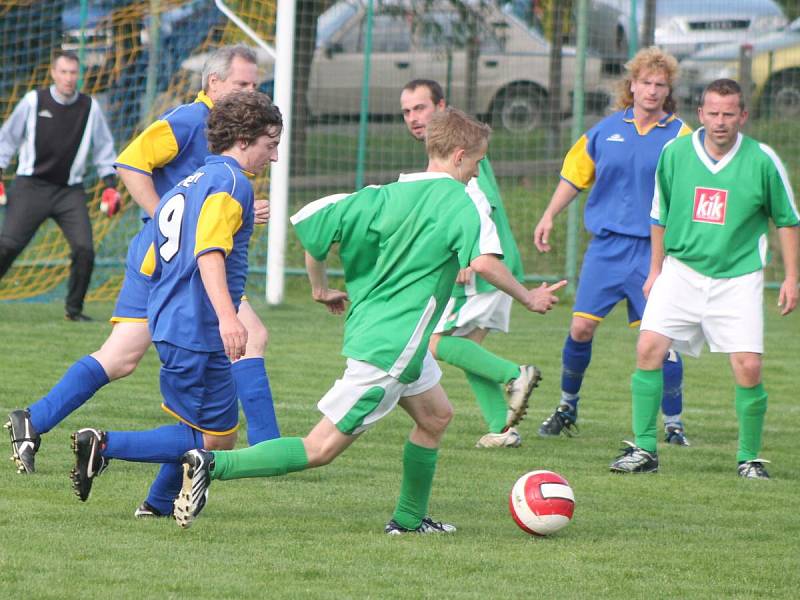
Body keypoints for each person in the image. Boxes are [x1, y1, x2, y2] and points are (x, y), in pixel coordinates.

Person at [170, 108, 567, 531]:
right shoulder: (463, 202)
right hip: (393, 348)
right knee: (318, 449)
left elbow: (314, 229)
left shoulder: (384, 193)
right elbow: (485, 263)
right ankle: (213, 463)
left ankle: (409, 520)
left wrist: (320, 288)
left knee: (436, 417)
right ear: (458, 155)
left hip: (384, 333)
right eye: (476, 161)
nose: (477, 171)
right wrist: (529, 297)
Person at [6, 44, 280, 518]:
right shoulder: (194, 120)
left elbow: (204, 198)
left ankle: (35, 419)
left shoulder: (228, 156)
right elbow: (131, 162)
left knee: (121, 357)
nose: (250, 92)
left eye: (255, 85)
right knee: (243, 340)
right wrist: (169, 219)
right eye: (242, 84)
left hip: (171, 259)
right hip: (174, 264)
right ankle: (270, 450)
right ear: (214, 84)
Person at [68, 91, 284, 506]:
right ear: (243, 140)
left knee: (197, 425)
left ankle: (158, 505)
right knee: (214, 438)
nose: (273, 157)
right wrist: (228, 317)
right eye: (269, 145)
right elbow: (209, 253)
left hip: (173, 318)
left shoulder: (195, 179)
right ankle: (103, 445)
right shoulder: (231, 183)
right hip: (197, 326)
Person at [609, 78, 799, 478]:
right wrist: (655, 270)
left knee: (748, 367)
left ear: (743, 116)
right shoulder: (675, 153)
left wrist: (791, 277)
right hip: (681, 271)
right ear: (700, 114)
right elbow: (659, 214)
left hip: (738, 277)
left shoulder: (762, 160)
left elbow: (787, 220)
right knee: (648, 347)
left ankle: (749, 459)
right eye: (713, 112)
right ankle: (644, 449)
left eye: (729, 113)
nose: (720, 121)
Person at [533, 47, 692, 444]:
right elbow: (574, 177)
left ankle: (673, 425)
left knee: (659, 341)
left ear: (667, 90)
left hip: (653, 253)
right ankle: (567, 406)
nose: (652, 91)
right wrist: (549, 214)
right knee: (581, 327)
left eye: (661, 85)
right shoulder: (604, 131)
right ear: (632, 85)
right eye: (646, 83)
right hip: (605, 249)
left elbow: (694, 191)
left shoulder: (682, 136)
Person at [401, 79, 538, 449]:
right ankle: (501, 427)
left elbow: (482, 200)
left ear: (442, 108)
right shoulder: (462, 154)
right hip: (492, 264)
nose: (414, 118)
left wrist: (466, 252)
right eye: (407, 111)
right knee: (469, 350)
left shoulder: (464, 160)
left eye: (421, 108)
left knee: (435, 342)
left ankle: (515, 375)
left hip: (480, 269)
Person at [0, 49, 119, 322]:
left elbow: (104, 149)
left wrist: (109, 185)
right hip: (31, 186)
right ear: (53, 73)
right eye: (63, 72)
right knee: (7, 245)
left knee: (84, 249)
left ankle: (73, 311)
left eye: (73, 73)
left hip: (69, 191)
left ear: (79, 76)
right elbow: (6, 140)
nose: (68, 78)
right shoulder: (33, 101)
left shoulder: (90, 107)